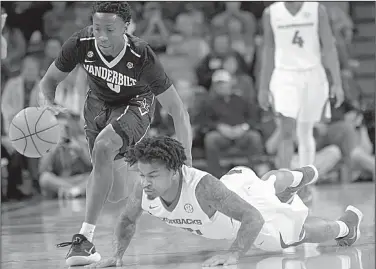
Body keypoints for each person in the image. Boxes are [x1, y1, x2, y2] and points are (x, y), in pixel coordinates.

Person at [41, 2, 192, 266]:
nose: (101, 35)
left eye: (109, 30)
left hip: (137, 104)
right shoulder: (81, 43)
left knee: (103, 146)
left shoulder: (141, 55)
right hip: (98, 105)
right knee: (114, 192)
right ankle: (146, 175)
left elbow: (179, 112)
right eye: (97, 27)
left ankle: (84, 239)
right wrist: (49, 101)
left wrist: (187, 163)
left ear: (125, 27)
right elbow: (49, 80)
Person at [84, 136, 363, 268]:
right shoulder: (143, 189)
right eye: (142, 174)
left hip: (244, 210)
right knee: (264, 183)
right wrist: (117, 255)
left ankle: (345, 228)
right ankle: (294, 180)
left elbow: (252, 218)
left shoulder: (202, 188)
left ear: (174, 171)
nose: (145, 182)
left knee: (293, 236)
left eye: (152, 175)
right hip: (233, 187)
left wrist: (234, 254)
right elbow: (126, 219)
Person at [258, 2, 344, 200]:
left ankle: (305, 186)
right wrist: (263, 87)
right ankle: (283, 187)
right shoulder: (271, 13)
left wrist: (337, 82)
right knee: (287, 130)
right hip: (284, 75)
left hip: (313, 73)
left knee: (305, 131)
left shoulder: (316, 10)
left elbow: (329, 46)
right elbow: (268, 50)